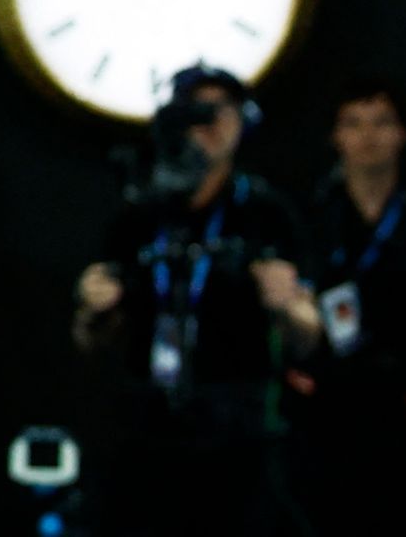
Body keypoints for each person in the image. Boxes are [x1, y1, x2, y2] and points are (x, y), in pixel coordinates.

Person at [72, 66, 319, 537]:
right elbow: (91, 338)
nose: (209, 123)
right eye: (196, 110)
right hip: (146, 437)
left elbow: (310, 336)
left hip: (236, 441)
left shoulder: (267, 214)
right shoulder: (139, 215)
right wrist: (93, 307)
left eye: (221, 111)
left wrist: (287, 307)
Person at [298, 82, 406, 537]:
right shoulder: (309, 218)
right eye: (353, 123)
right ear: (335, 135)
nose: (368, 136)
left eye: (381, 122)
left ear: (403, 134)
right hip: (327, 413)